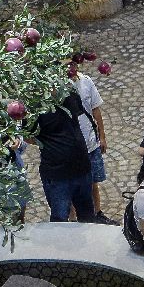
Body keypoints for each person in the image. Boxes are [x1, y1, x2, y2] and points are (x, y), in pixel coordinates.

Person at [32, 87, 98, 224]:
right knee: (60, 220)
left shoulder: (70, 94)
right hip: (57, 174)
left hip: (81, 168)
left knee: (87, 216)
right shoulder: (34, 108)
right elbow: (28, 136)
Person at [71, 66, 112, 223]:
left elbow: (96, 109)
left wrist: (102, 136)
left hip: (91, 142)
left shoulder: (86, 81)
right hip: (72, 148)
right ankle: (73, 219)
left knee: (94, 181)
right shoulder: (58, 87)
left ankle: (97, 213)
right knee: (72, 184)